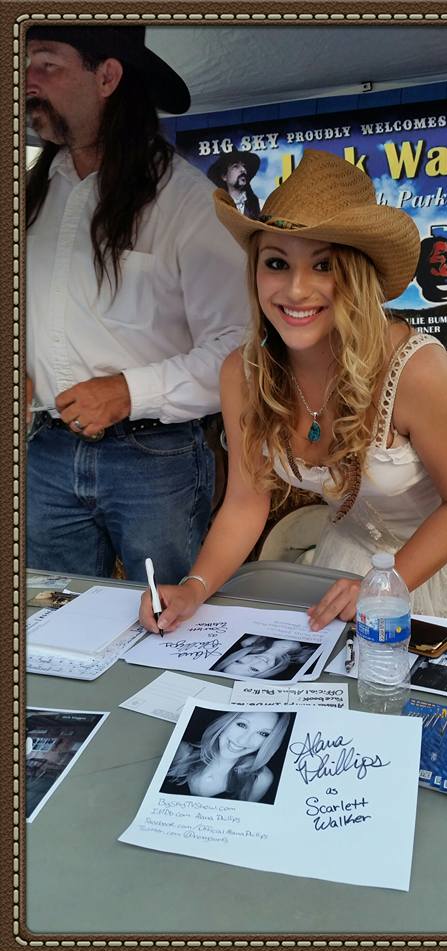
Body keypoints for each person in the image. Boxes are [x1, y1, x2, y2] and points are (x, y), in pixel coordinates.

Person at [139, 148, 447, 636]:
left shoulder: (418, 371)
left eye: (324, 265)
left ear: (358, 275)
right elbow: (246, 503)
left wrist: (384, 584)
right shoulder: (242, 374)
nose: (296, 290)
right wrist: (194, 588)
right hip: (359, 556)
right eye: (276, 263)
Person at [25, 25, 249, 582]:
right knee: (53, 618)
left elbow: (237, 349)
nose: (27, 80)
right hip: (47, 450)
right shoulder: (35, 193)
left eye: (47, 64)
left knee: (170, 613)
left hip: (154, 458)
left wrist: (128, 391)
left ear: (107, 76)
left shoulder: (186, 201)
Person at [160, 711, 291, 802]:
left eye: (263, 734)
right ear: (226, 723)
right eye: (242, 725)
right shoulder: (182, 751)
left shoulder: (259, 779)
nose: (242, 740)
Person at [210, 635, 313, 679]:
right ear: (267, 673)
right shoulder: (302, 660)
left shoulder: (249, 641)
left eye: (239, 662)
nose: (253, 661)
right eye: (254, 669)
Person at [206, 148, 261, 217]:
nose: (243, 170)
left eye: (244, 166)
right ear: (224, 176)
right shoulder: (216, 208)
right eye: (236, 166)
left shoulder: (260, 205)